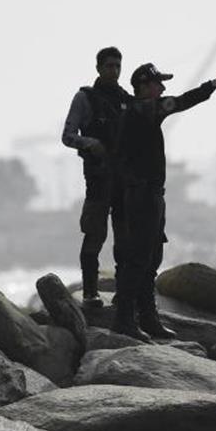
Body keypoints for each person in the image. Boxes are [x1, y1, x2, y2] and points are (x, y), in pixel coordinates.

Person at [113, 61, 216, 341]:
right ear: (144, 86)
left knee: (150, 259)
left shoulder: (142, 111)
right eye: (158, 83)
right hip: (141, 195)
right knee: (138, 260)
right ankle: (124, 319)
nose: (162, 88)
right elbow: (182, 102)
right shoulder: (142, 109)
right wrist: (214, 84)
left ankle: (148, 319)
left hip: (150, 195)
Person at [62, 47, 133, 308]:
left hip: (123, 180)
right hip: (98, 178)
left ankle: (123, 292)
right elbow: (68, 135)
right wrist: (91, 143)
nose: (114, 71)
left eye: (117, 66)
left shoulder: (125, 99)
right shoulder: (85, 99)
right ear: (99, 68)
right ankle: (90, 292)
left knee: (124, 238)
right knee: (94, 235)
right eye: (109, 66)